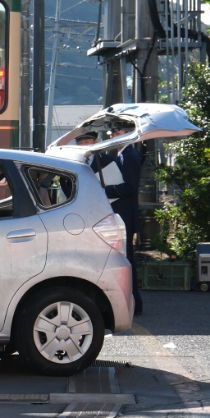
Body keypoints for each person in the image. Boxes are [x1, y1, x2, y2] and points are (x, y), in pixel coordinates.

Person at [95, 124, 144, 315]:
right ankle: (132, 302)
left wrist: (105, 189)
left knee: (126, 259)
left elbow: (131, 187)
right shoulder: (124, 155)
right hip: (123, 213)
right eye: (113, 134)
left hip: (125, 215)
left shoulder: (129, 156)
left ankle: (135, 303)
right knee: (124, 258)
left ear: (127, 135)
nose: (114, 136)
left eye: (118, 133)